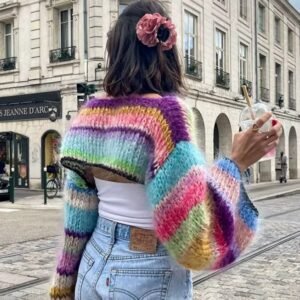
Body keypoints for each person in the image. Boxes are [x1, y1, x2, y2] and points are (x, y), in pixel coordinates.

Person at [50, 1, 282, 299]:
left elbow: (77, 213)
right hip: (143, 273)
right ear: (168, 51)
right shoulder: (166, 116)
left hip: (90, 266)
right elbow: (194, 244)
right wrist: (235, 164)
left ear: (115, 51)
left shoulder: (88, 115)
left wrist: (64, 281)